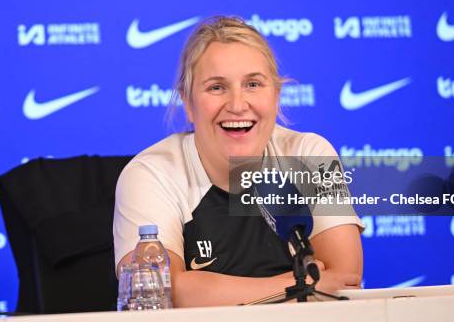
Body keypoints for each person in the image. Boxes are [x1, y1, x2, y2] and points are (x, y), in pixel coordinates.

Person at [113, 16, 363, 307]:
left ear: (276, 95)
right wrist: (299, 285)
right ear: (188, 103)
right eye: (216, 87)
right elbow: (161, 290)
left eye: (253, 84)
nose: (237, 104)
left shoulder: (310, 153)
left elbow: (345, 277)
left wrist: (204, 290)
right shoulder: (150, 174)